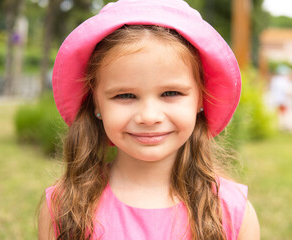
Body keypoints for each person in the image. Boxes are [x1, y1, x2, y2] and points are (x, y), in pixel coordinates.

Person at [38, 0, 260, 239]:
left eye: (171, 93)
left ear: (200, 98)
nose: (149, 117)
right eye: (125, 95)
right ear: (95, 103)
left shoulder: (231, 212)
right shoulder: (63, 209)